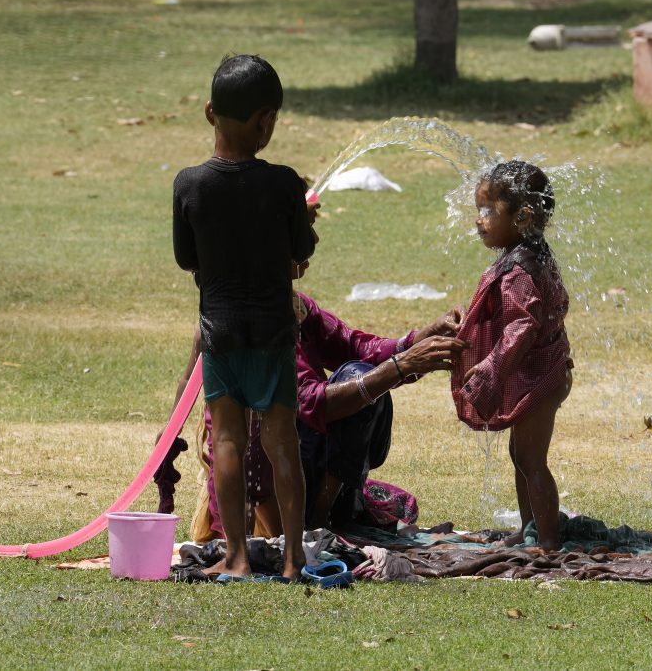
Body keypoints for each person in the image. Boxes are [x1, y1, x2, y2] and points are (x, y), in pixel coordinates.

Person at [169, 205, 467, 541]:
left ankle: (321, 516)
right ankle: (317, 522)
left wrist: (423, 337)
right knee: (361, 380)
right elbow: (312, 402)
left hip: (288, 467)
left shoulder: (293, 305)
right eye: (304, 231)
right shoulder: (258, 325)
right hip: (262, 495)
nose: (314, 240)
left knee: (363, 375)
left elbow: (354, 344)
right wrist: (403, 366)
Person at [172, 54, 315, 580]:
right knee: (283, 443)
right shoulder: (283, 185)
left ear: (210, 112)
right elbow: (299, 253)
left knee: (227, 440)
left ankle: (234, 555)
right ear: (266, 121)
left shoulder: (189, 184)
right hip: (274, 332)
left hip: (222, 332)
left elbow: (188, 260)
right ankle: (294, 558)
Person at [451, 161, 573, 551]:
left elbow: (522, 327)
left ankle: (549, 541)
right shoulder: (531, 253)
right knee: (520, 454)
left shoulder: (520, 269)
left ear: (522, 217)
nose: (478, 221)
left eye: (488, 212)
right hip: (545, 370)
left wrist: (491, 370)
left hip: (541, 377)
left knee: (532, 460)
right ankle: (530, 528)